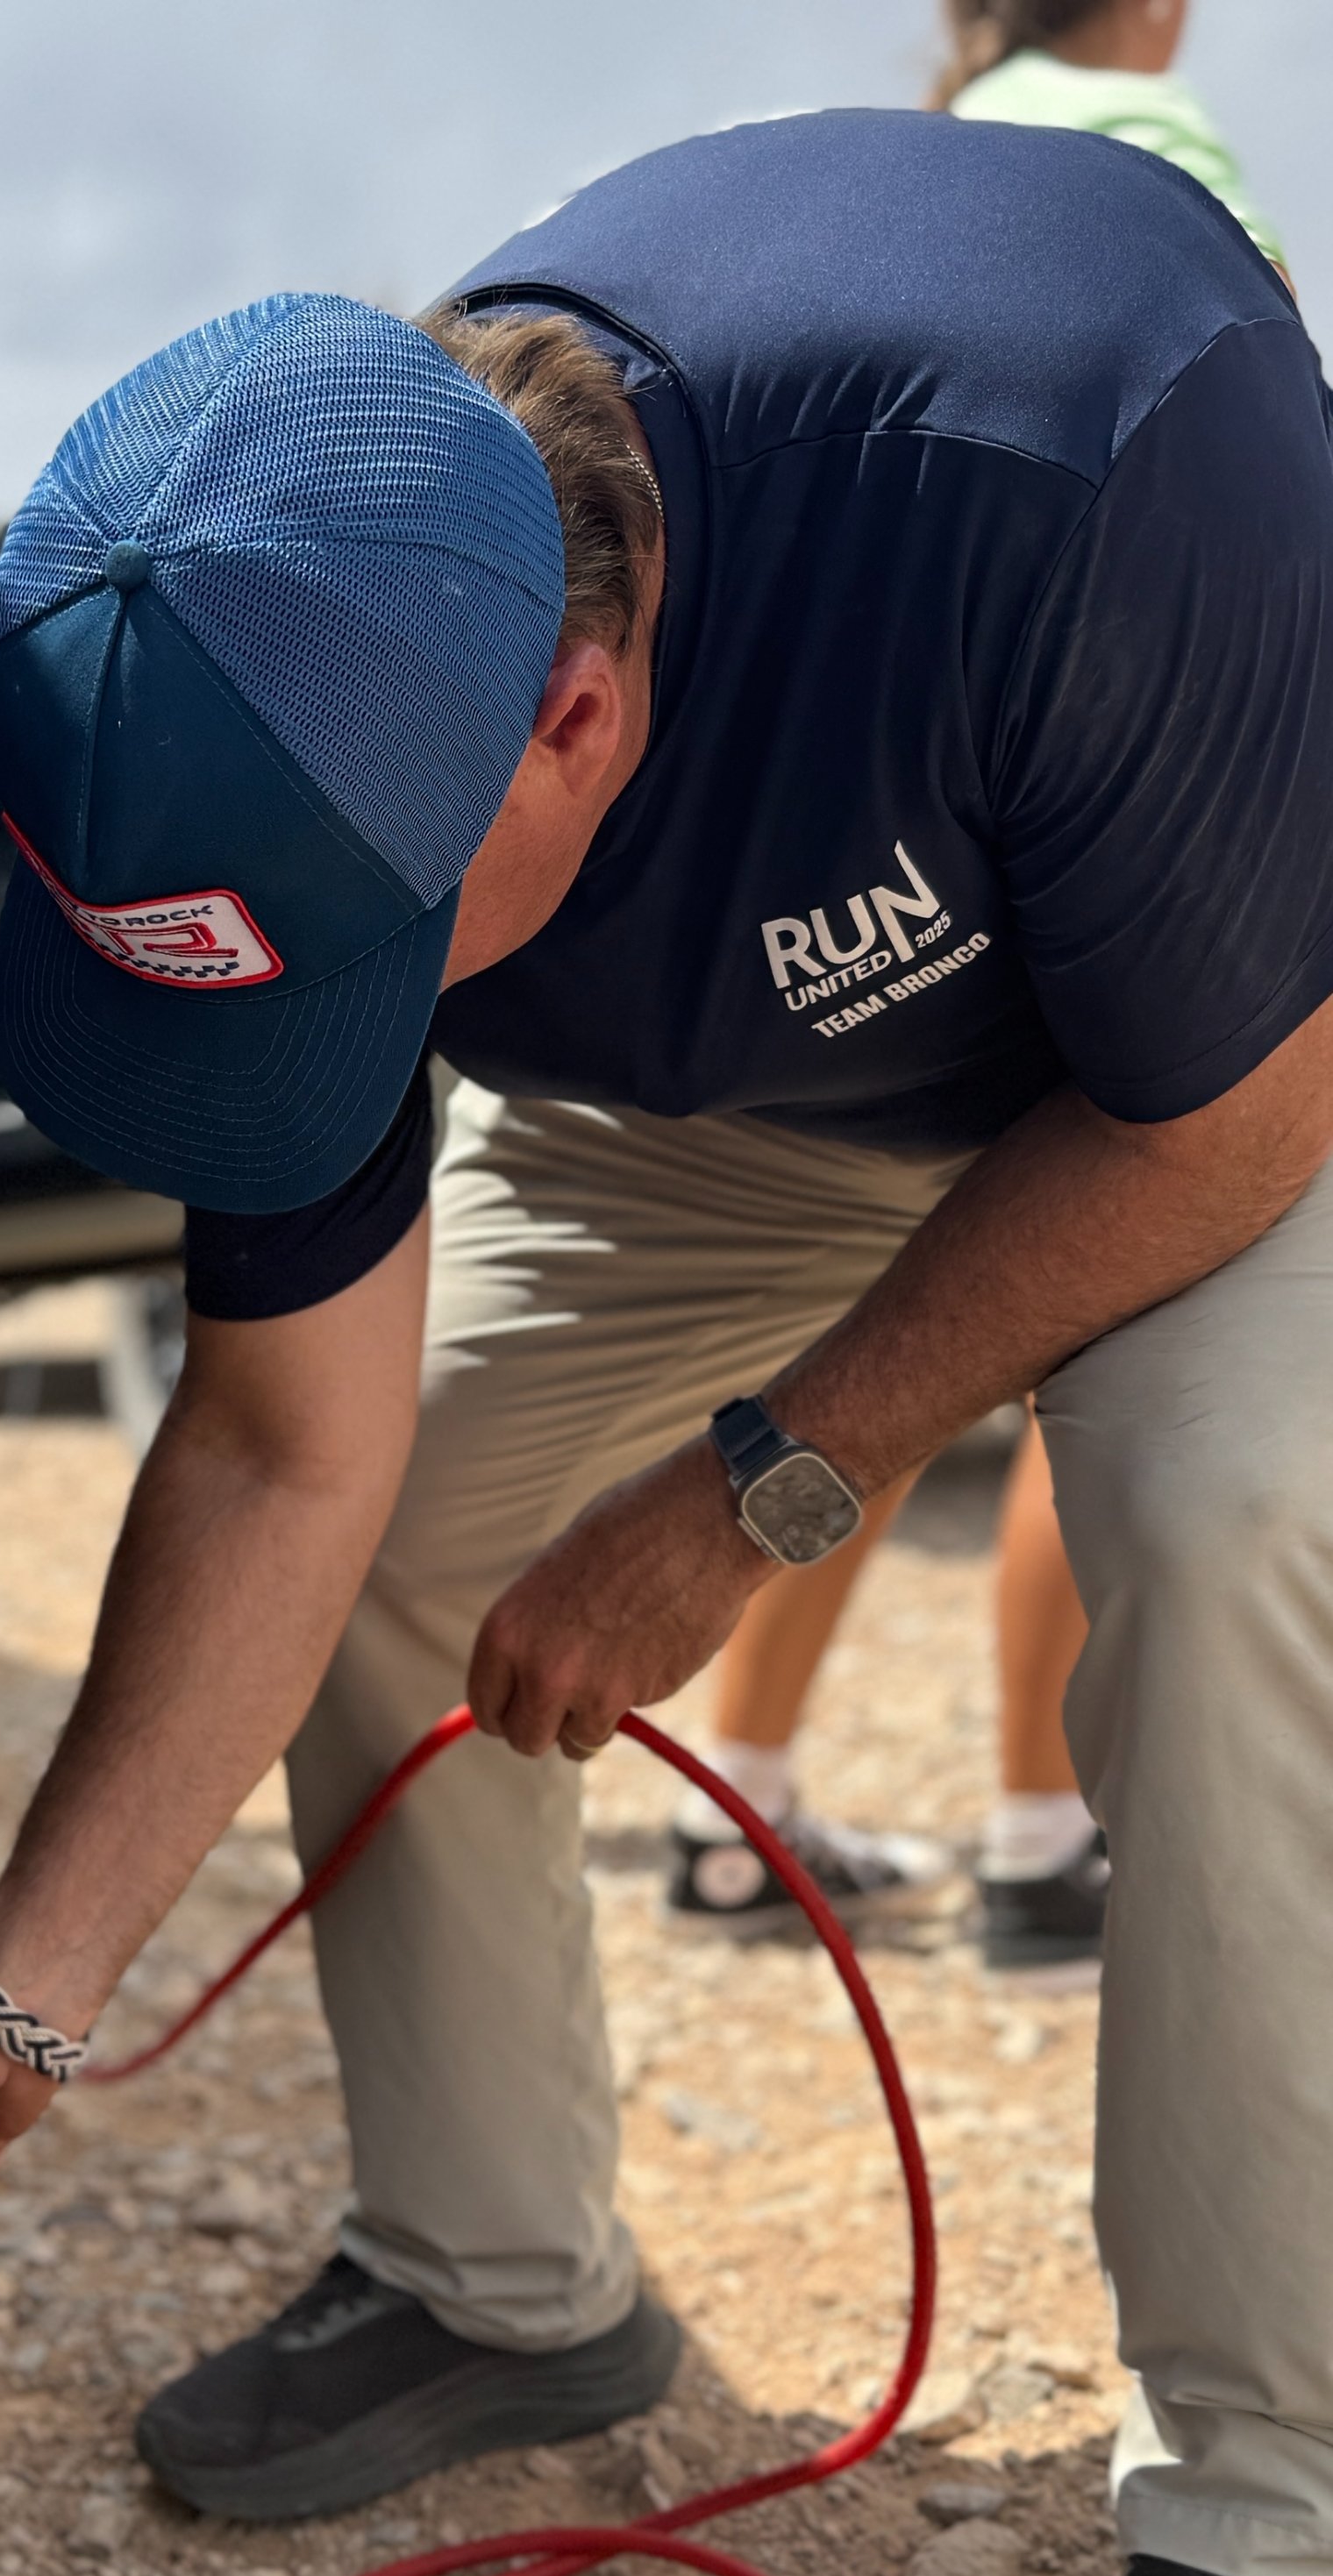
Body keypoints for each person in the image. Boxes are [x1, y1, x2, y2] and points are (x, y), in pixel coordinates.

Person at [0, 110, 1333, 2576]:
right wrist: (11, 1998)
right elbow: (284, 1450)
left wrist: (766, 1481)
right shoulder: (296, 636)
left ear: (579, 714)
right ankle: (502, 2279)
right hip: (757, 1101)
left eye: (376, 962)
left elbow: (1224, 1120)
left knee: (1230, 1528)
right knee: (401, 1520)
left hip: (1222, 1063)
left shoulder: (1066, 449)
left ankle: (1273, 2534)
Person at [664, 0, 1285, 1972]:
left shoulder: (902, 161)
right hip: (1083, 845)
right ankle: (1039, 1834)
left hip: (875, 880)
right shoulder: (1144, 142)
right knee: (1088, 1334)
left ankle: (741, 1814)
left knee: (884, 1366)